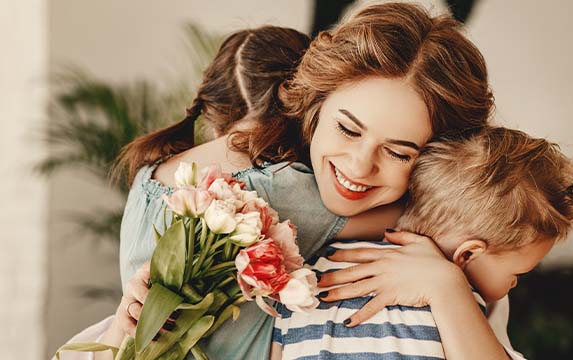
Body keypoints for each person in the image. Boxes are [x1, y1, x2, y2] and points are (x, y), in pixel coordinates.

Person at [58, 3, 521, 360]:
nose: (360, 166)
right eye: (348, 128)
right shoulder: (280, 199)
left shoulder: (157, 178)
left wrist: (445, 285)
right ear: (312, 108)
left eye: (400, 152)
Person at [271, 126, 573, 359]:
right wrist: (449, 286)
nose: (513, 284)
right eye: (518, 274)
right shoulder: (461, 304)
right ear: (468, 253)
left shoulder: (320, 265)